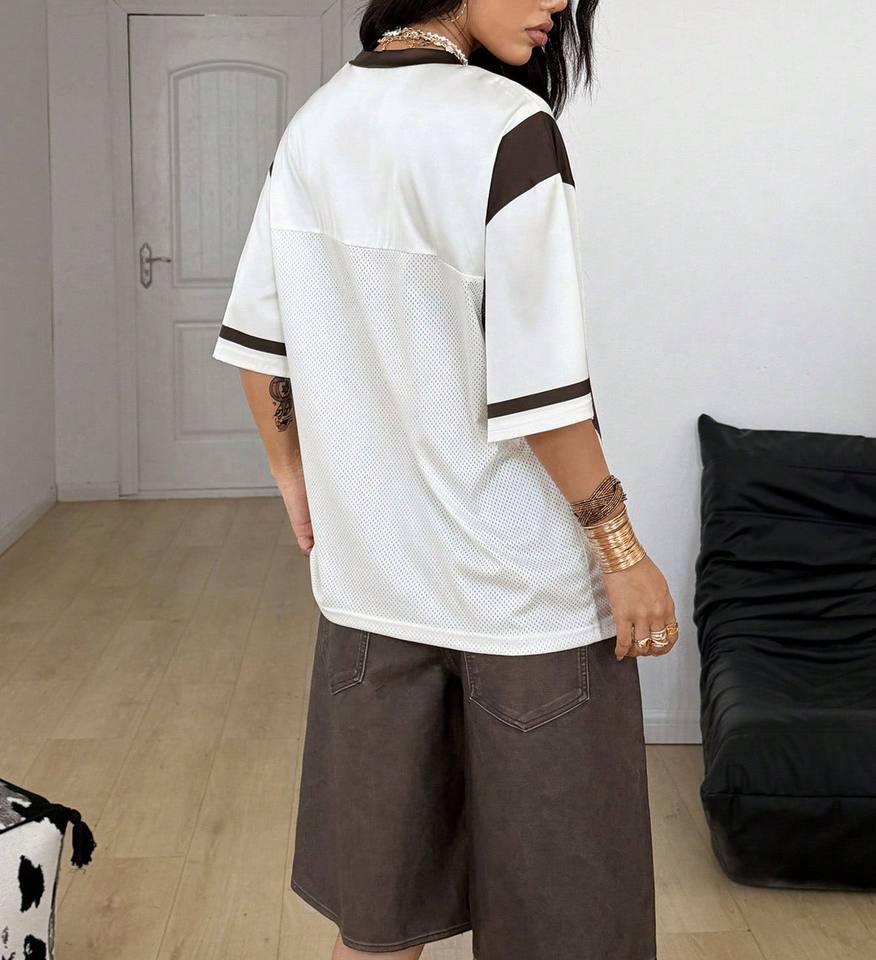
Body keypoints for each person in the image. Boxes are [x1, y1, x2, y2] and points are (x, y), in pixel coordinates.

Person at [212, 1, 678, 958]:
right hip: (526, 602)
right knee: (568, 931)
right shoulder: (510, 130)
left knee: (379, 928)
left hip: (373, 589)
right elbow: (543, 392)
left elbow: (261, 348)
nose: (558, 3)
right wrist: (623, 550)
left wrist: (298, 483)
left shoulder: (316, 125)